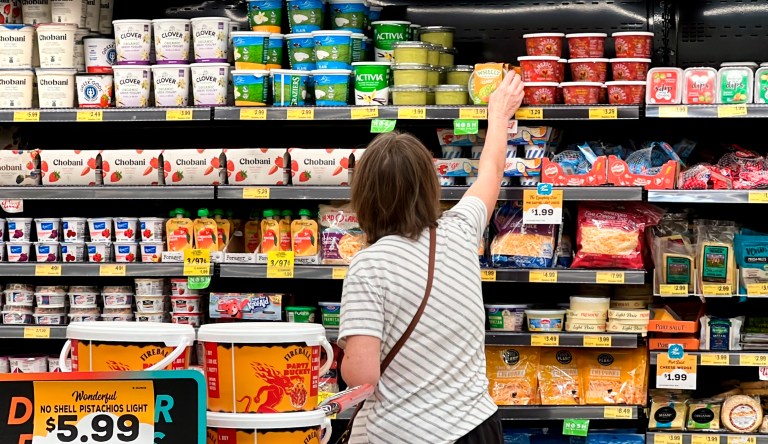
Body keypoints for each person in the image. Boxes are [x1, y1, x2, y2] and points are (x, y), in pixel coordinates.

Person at [337, 72, 525, 444]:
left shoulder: (369, 265)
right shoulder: (459, 229)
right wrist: (498, 113)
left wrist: (337, 353)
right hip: (478, 426)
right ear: (430, 186)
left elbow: (362, 375)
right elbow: (490, 171)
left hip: (411, 433)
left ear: (363, 196)